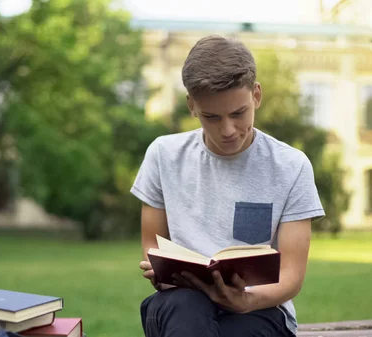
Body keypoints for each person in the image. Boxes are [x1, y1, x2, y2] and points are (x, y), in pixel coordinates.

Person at [130, 35, 325, 337]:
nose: (228, 130)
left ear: (256, 96)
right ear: (192, 105)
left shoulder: (291, 166)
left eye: (238, 113)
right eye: (211, 117)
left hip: (260, 309)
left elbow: (291, 277)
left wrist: (246, 300)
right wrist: (160, 272)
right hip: (182, 303)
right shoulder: (163, 155)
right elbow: (152, 245)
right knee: (185, 309)